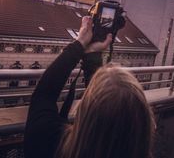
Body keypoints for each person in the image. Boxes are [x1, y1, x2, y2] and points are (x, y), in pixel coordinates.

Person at [24, 16, 155, 158]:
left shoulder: (51, 143)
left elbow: (43, 95)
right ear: (144, 124)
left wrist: (80, 44)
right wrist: (91, 54)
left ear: (85, 110)